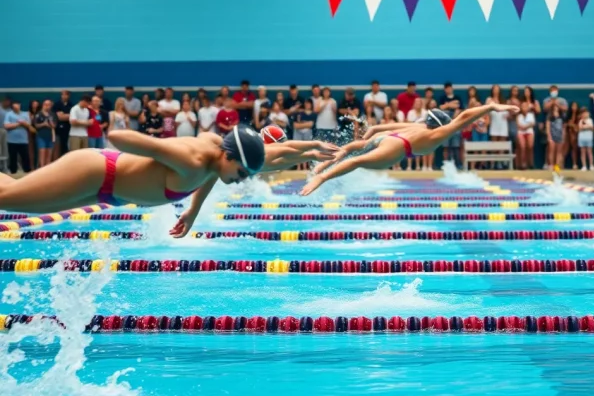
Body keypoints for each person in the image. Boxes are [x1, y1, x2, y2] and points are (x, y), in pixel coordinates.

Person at [0, 124, 338, 236]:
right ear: (229, 157)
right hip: (94, 172)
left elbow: (274, 154)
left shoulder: (215, 160)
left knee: (9, 195)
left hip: (104, 192)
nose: (240, 181)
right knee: (8, 198)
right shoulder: (192, 158)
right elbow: (118, 136)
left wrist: (192, 211)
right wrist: (158, 151)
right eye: (241, 174)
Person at [301, 103, 519, 195]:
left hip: (387, 137)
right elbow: (463, 117)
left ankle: (323, 165)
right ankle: (321, 178)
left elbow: (385, 127)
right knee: (357, 161)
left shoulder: (420, 125)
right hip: (397, 147)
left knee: (350, 149)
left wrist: (372, 132)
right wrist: (491, 107)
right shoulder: (438, 133)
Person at [3, 101, 32, 174]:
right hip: (12, 141)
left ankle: (27, 173)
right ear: (12, 106)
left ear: (20, 105)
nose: (16, 106)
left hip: (23, 141)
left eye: (18, 105)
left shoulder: (25, 114)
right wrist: (18, 124)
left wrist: (24, 123)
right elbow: (6, 126)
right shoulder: (8, 114)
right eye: (15, 105)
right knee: (13, 159)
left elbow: (29, 125)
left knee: (26, 158)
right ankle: (13, 173)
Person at [34, 99, 56, 168]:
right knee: (42, 153)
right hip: (41, 136)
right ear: (43, 105)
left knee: (49, 154)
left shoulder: (52, 114)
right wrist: (43, 124)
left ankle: (47, 170)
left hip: (50, 136)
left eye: (49, 105)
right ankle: (41, 169)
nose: (47, 106)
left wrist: (51, 123)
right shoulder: (38, 114)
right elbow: (36, 125)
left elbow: (54, 125)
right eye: (46, 105)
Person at [52, 91, 73, 160]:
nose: (64, 96)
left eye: (66, 95)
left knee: (66, 148)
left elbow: (72, 117)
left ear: (69, 96)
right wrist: (67, 116)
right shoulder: (57, 104)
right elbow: (59, 117)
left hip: (68, 130)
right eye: (63, 95)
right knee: (57, 148)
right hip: (58, 130)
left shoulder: (71, 105)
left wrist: (64, 115)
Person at [516, 102, 535, 170]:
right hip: (521, 132)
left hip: (529, 132)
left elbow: (532, 123)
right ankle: (522, 164)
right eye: (523, 106)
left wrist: (525, 126)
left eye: (525, 106)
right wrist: (526, 126)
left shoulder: (531, 115)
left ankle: (530, 163)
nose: (524, 108)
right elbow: (518, 125)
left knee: (530, 147)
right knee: (522, 147)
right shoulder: (519, 116)